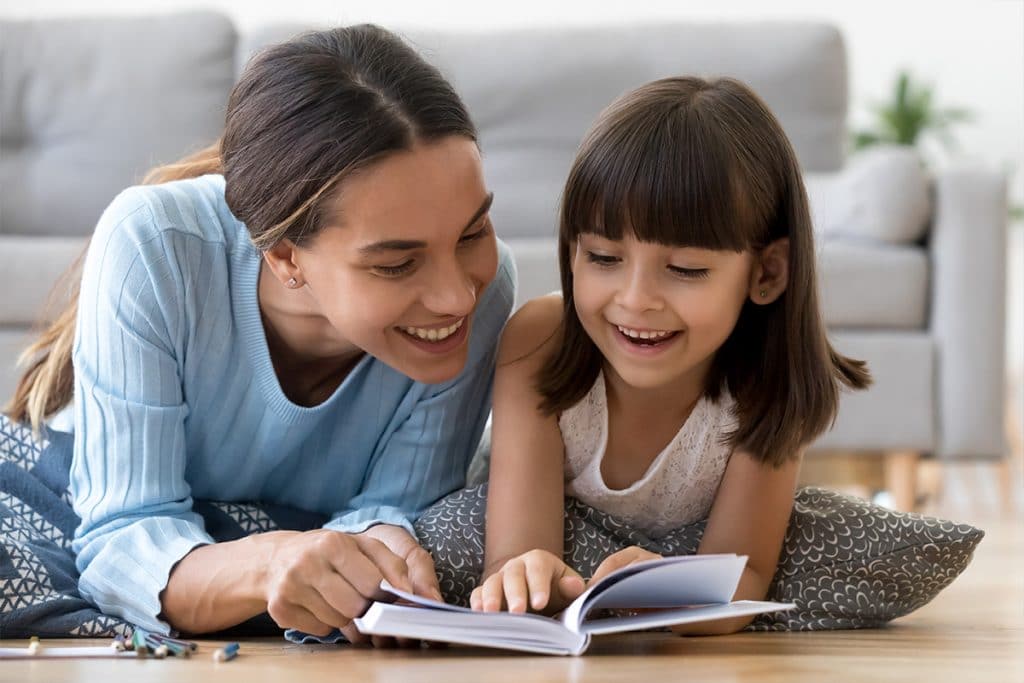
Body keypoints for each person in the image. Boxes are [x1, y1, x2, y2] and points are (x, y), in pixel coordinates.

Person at [6, 25, 515, 641]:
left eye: (472, 234)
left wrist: (383, 546)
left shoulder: (487, 294)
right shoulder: (155, 246)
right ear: (286, 258)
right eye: (396, 263)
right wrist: (272, 560)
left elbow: (398, 508)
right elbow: (122, 538)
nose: (459, 294)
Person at [471, 76, 870, 634]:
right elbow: (516, 555)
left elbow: (746, 571)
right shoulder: (540, 340)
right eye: (604, 258)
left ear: (767, 273)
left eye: (685, 270)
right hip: (513, 507)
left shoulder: (766, 386)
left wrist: (668, 587)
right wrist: (529, 573)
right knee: (452, 533)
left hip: (680, 549)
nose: (635, 300)